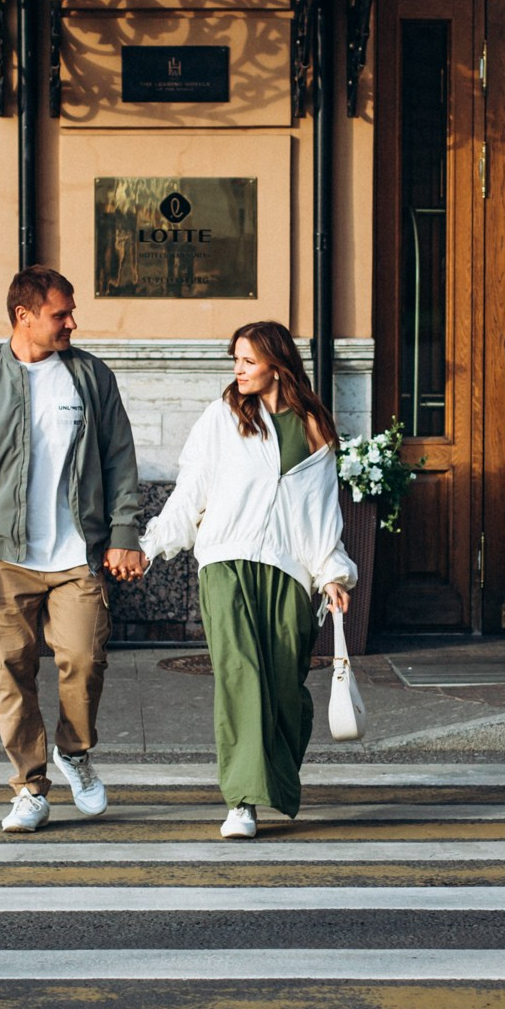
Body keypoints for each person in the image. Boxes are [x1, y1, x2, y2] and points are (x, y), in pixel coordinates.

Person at [0, 266, 146, 831]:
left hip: (77, 554)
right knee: (11, 672)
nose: (72, 323)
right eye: (60, 314)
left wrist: (124, 534)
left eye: (71, 312)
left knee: (85, 659)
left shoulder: (90, 376)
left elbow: (120, 459)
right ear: (24, 316)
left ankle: (74, 751)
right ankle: (29, 787)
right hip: (4, 557)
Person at [141, 322, 356, 839]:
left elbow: (321, 511)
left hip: (288, 572)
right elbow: (191, 488)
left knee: (283, 688)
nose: (237, 370)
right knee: (240, 677)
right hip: (226, 562)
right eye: (235, 360)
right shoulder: (223, 417)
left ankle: (271, 777)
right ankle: (241, 801)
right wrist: (149, 544)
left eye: (248, 361)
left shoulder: (314, 427)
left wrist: (332, 572)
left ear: (277, 366)